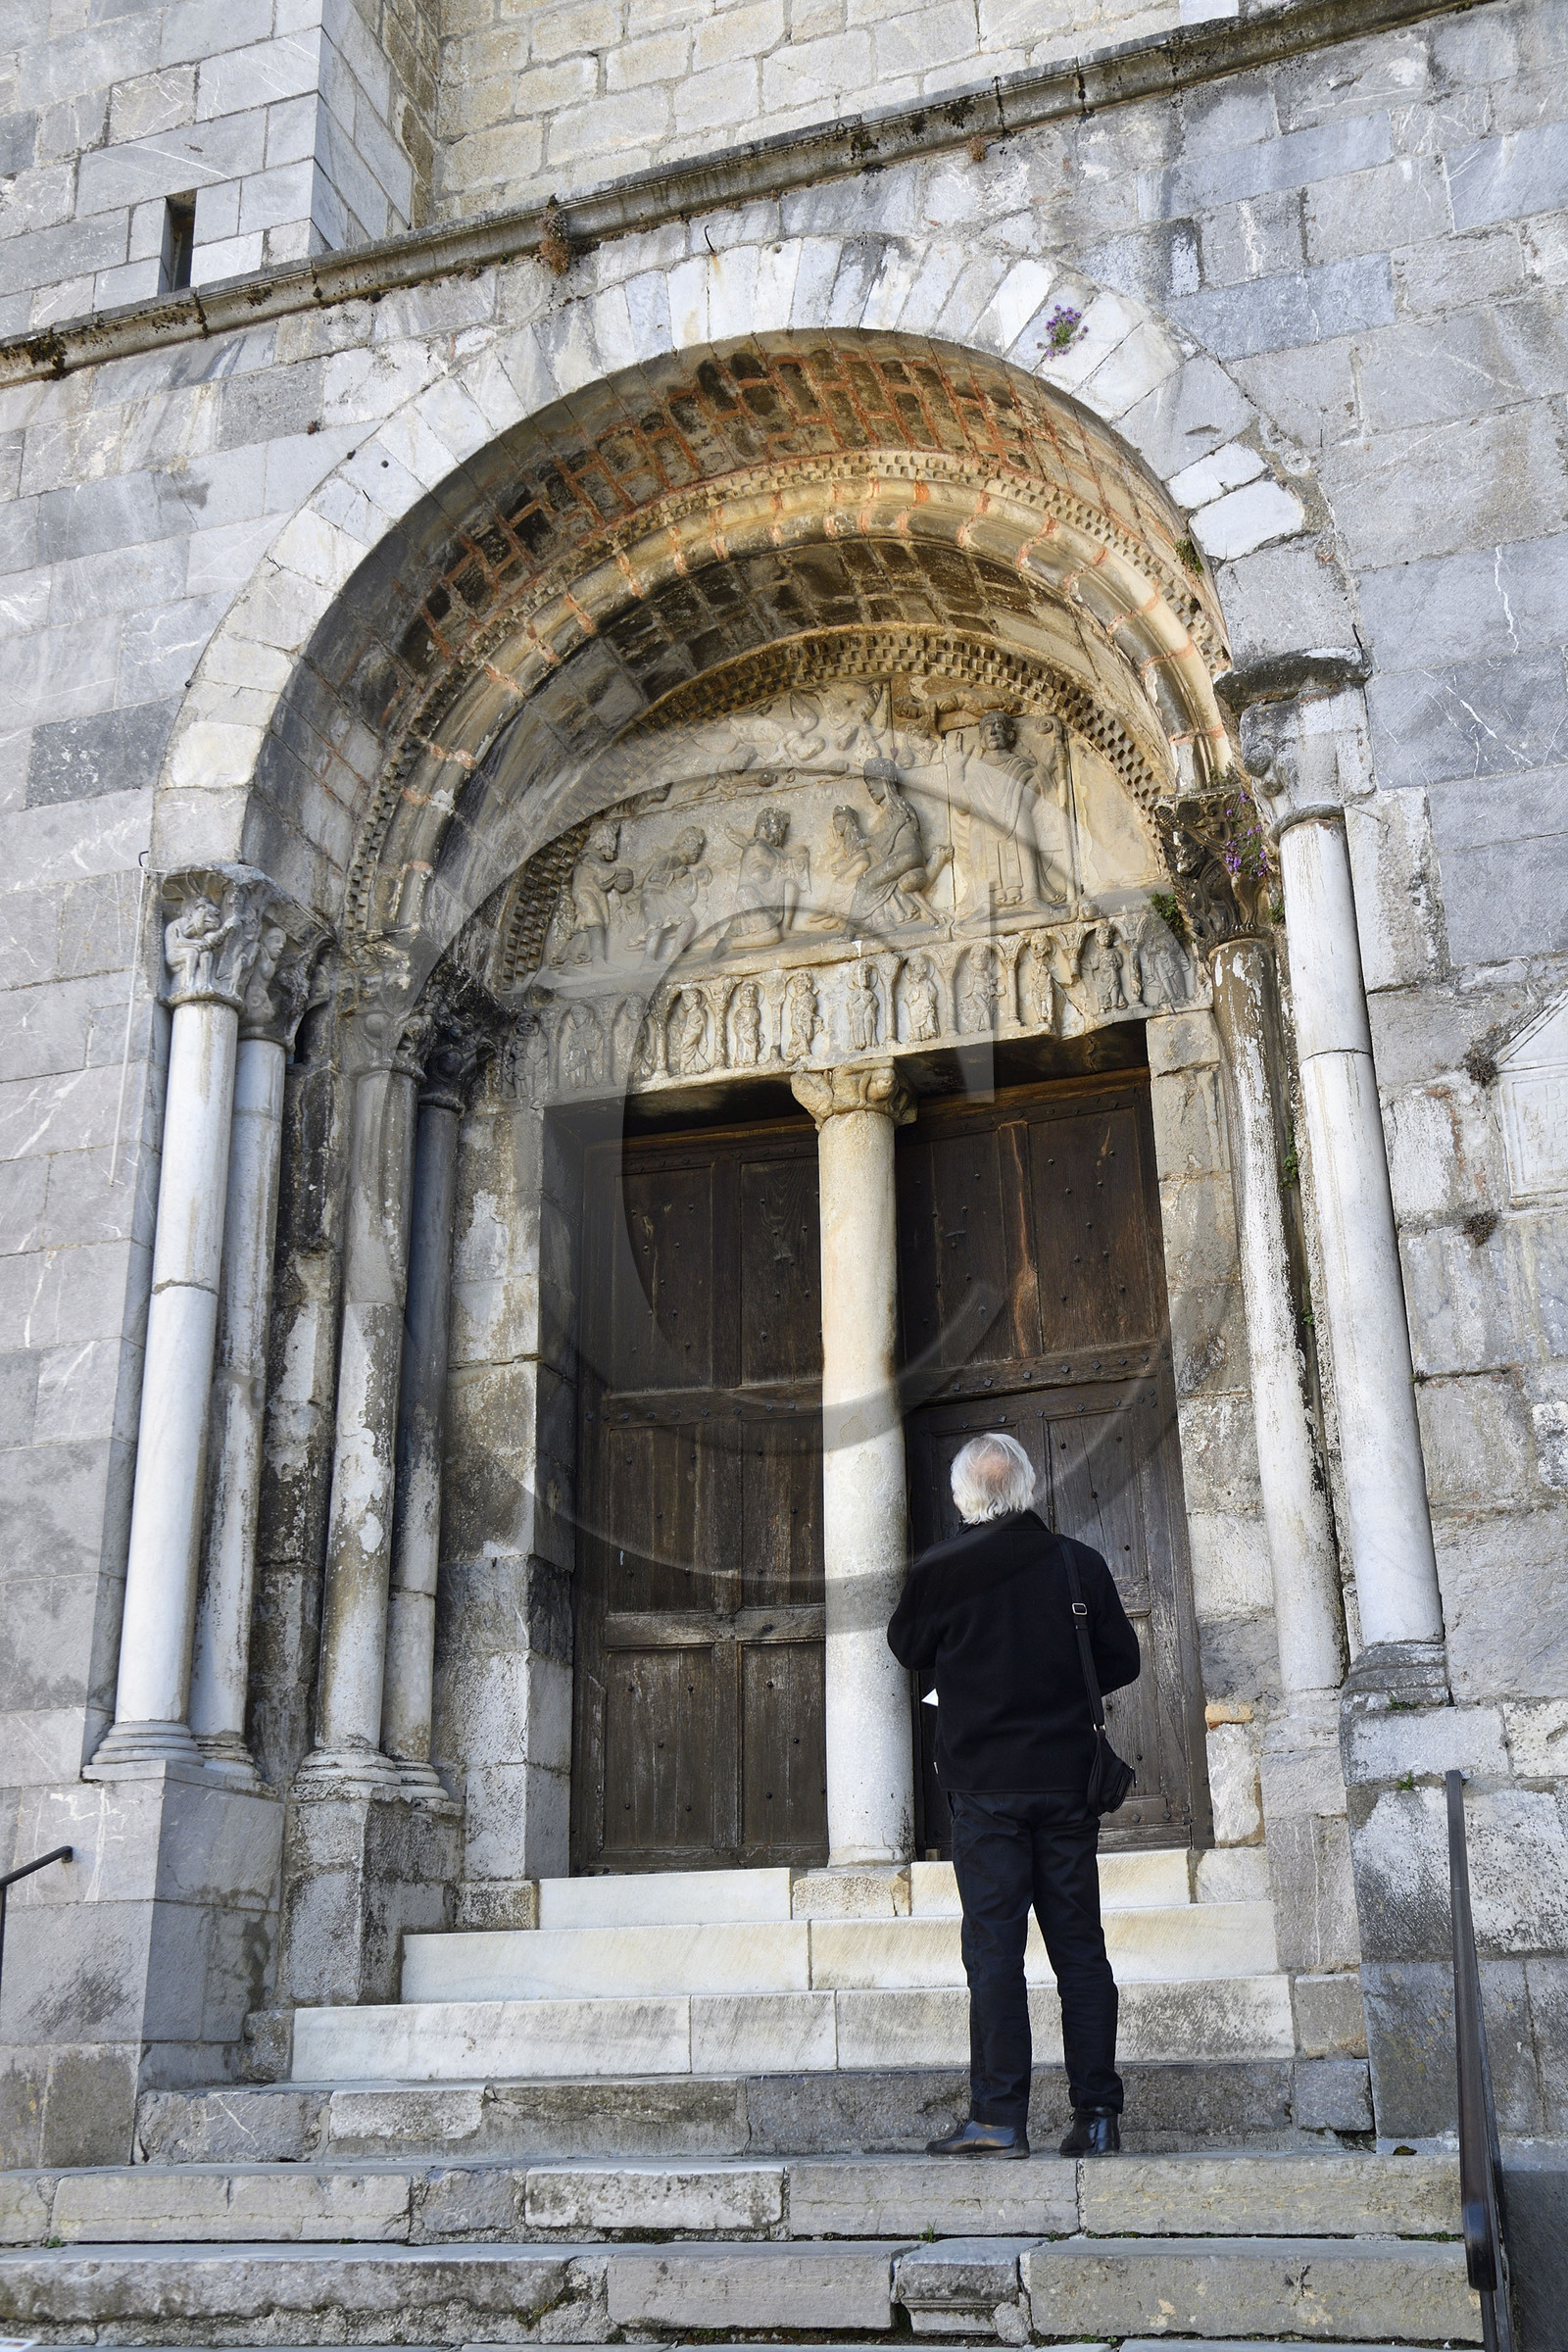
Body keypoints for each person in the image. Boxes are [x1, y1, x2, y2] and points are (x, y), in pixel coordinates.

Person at [887, 1431, 1141, 2160]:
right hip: (1066, 1784)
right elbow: (1120, 1660)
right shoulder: (1076, 1564)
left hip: (984, 1788)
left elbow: (907, 1649)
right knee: (1080, 1950)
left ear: (965, 1496)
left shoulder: (940, 1569)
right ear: (1026, 1489)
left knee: (994, 1952)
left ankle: (999, 2118)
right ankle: (1096, 2117)